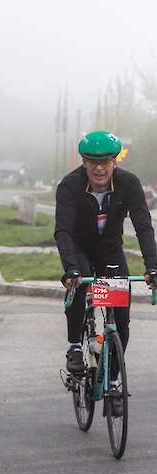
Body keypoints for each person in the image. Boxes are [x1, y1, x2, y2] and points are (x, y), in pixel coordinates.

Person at [55, 130, 157, 384]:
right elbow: (63, 230)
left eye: (105, 162)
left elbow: (143, 226)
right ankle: (75, 347)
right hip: (79, 248)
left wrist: (153, 267)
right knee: (80, 284)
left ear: (115, 161)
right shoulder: (70, 186)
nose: (99, 168)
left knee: (121, 321)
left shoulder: (129, 184)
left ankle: (111, 380)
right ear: (84, 162)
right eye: (92, 162)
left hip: (110, 250)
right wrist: (70, 269)